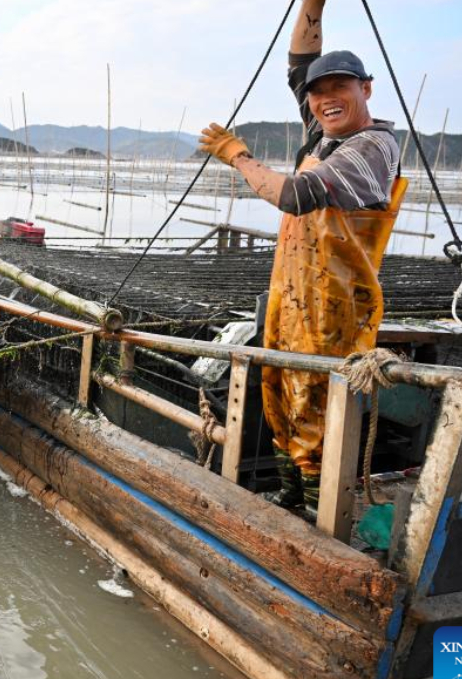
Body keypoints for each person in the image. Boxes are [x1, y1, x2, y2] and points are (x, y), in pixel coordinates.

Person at [198, 0, 406, 517]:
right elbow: (299, 61)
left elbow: (296, 195)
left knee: (314, 409)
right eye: (317, 93)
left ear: (366, 89)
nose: (325, 99)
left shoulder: (372, 146)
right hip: (293, 298)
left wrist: (237, 156)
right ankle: (288, 501)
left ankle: (316, 516)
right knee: (278, 397)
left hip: (336, 307)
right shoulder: (323, 133)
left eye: (339, 87)